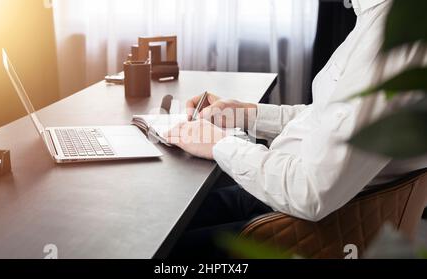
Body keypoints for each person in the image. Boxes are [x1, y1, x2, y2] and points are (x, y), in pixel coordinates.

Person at [165, 0, 427, 258]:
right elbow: (326, 117)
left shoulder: (388, 39)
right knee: (167, 215)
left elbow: (311, 192)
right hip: (279, 195)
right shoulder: (376, 20)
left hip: (303, 225)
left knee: (160, 245)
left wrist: (218, 144)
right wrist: (246, 114)